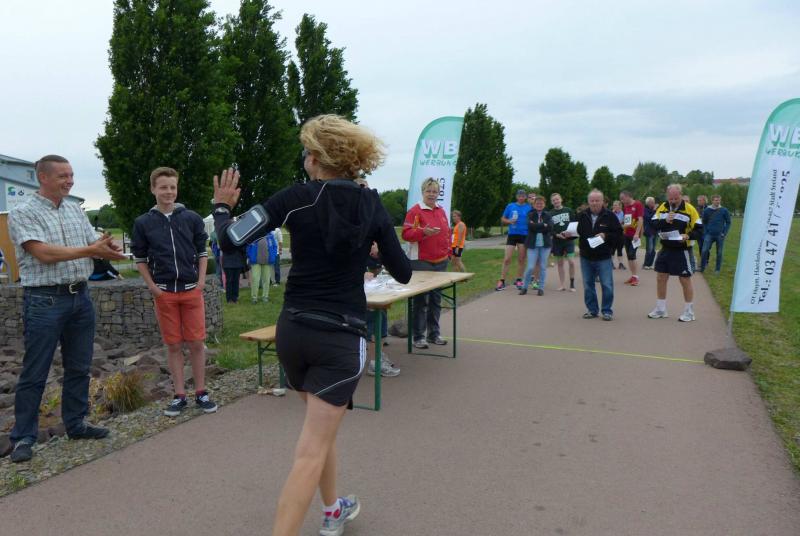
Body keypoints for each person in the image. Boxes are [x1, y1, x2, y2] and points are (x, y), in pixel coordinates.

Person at [213, 114, 411, 536]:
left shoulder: (295, 197)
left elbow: (230, 238)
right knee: (310, 450)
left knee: (319, 434)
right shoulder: (371, 204)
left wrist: (221, 208)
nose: (304, 158)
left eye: (306, 151)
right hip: (341, 340)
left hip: (294, 333)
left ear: (318, 157)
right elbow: (403, 272)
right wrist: (372, 248)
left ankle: (333, 508)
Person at [7, 154, 125, 463]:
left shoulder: (75, 210)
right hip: (44, 300)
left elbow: (96, 248)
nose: (70, 181)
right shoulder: (22, 212)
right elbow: (43, 253)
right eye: (63, 176)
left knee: (79, 366)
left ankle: (76, 424)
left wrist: (110, 250)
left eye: (71, 175)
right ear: (42, 177)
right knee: (35, 371)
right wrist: (91, 249)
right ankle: (23, 437)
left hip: (80, 298)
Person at [132, 167, 218, 417]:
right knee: (173, 345)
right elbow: (140, 258)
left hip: (192, 291)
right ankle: (179, 395)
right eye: (163, 187)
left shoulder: (191, 218)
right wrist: (152, 287)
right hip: (165, 293)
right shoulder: (143, 222)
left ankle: (201, 392)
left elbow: (202, 252)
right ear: (153, 189)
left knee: (197, 343)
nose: (168, 192)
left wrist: (200, 282)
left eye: (172, 187)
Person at [402, 177, 451, 349]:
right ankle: (418, 337)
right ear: (422, 192)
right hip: (421, 262)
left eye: (434, 191)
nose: (431, 194)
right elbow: (406, 234)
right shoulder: (415, 211)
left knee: (436, 300)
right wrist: (423, 232)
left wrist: (448, 252)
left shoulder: (441, 210)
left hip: (441, 262)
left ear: (439, 193)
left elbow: (447, 233)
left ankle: (434, 334)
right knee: (421, 300)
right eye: (428, 191)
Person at [648, 184, 703, 322]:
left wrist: (688, 236)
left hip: (682, 249)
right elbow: (653, 224)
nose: (672, 201)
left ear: (681, 195)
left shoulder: (690, 209)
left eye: (675, 198)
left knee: (684, 279)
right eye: (670, 198)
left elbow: (700, 229)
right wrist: (665, 220)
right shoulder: (663, 207)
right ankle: (661, 309)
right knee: (661, 277)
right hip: (665, 247)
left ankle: (689, 312)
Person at [577, 189, 623, 321]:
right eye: (592, 201)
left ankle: (607, 311)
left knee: (607, 285)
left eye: (597, 200)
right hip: (586, 256)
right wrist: (567, 234)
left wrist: (605, 235)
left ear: (603, 201)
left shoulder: (610, 216)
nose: (594, 203)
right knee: (588, 285)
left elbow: (619, 235)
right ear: (588, 202)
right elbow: (575, 231)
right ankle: (592, 310)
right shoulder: (582, 215)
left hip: (603, 257)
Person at [364, 242, 400, 377]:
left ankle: (378, 356)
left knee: (382, 319)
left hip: (372, 291)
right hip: (359, 295)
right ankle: (375, 363)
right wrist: (360, 274)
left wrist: (376, 256)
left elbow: (376, 270)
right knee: (375, 324)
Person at [496, 189, 531, 290]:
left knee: (521, 259)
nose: (521, 197)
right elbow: (503, 218)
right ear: (516, 196)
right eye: (519, 195)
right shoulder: (510, 206)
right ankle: (502, 281)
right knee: (507, 259)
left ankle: (519, 280)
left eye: (523, 196)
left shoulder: (529, 207)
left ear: (525, 197)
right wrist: (509, 221)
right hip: (512, 234)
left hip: (524, 235)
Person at [519, 196, 552, 296]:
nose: (539, 205)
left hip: (545, 245)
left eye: (541, 203)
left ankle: (541, 288)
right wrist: (543, 225)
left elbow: (550, 227)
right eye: (537, 203)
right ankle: (524, 287)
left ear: (544, 205)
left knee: (543, 267)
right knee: (530, 267)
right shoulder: (530, 214)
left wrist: (537, 225)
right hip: (532, 244)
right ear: (534, 205)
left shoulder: (548, 215)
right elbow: (530, 226)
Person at [549, 192, 577, 292]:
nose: (556, 201)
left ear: (561, 199)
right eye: (553, 200)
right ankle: (562, 285)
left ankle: (572, 284)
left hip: (569, 240)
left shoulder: (568, 210)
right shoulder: (550, 214)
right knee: (560, 264)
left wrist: (570, 233)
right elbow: (550, 229)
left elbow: (574, 223)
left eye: (557, 199)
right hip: (557, 241)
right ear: (552, 202)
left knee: (571, 262)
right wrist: (557, 235)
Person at [700, 195, 731, 274]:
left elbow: (728, 222)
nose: (717, 202)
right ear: (712, 201)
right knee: (704, 250)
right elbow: (704, 222)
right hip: (709, 234)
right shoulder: (707, 210)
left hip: (720, 235)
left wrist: (724, 232)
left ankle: (717, 269)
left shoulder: (724, 210)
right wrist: (706, 232)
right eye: (716, 200)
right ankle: (702, 267)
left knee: (719, 253)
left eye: (719, 200)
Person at [619, 191, 644, 286]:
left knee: (632, 254)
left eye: (622, 198)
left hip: (635, 235)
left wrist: (637, 233)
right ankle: (633, 276)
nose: (622, 201)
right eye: (621, 199)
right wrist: (622, 227)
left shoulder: (638, 204)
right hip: (627, 234)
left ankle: (636, 277)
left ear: (628, 196)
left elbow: (640, 220)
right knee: (629, 256)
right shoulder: (626, 207)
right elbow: (627, 220)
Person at [247, 233, 277, 303]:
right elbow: (248, 246)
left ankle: (265, 297)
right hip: (255, 261)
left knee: (266, 280)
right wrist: (250, 255)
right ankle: (254, 298)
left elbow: (274, 246)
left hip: (267, 261)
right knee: (255, 279)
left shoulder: (270, 235)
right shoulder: (254, 234)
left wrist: (273, 255)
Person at [642, 196, 658, 270]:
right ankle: (646, 264)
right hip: (649, 232)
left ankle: (650, 264)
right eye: (652, 202)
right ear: (648, 203)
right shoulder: (645, 210)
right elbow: (648, 218)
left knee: (653, 249)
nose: (654, 203)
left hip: (655, 231)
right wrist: (654, 210)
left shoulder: (655, 210)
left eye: (654, 202)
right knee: (649, 249)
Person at [611, 200, 626, 270]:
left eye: (616, 205)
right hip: (613, 234)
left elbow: (624, 222)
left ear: (620, 206)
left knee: (620, 249)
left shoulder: (624, 213)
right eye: (613, 205)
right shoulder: (611, 213)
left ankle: (621, 264)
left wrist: (620, 223)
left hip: (621, 233)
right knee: (612, 249)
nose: (614, 206)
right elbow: (611, 223)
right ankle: (611, 263)